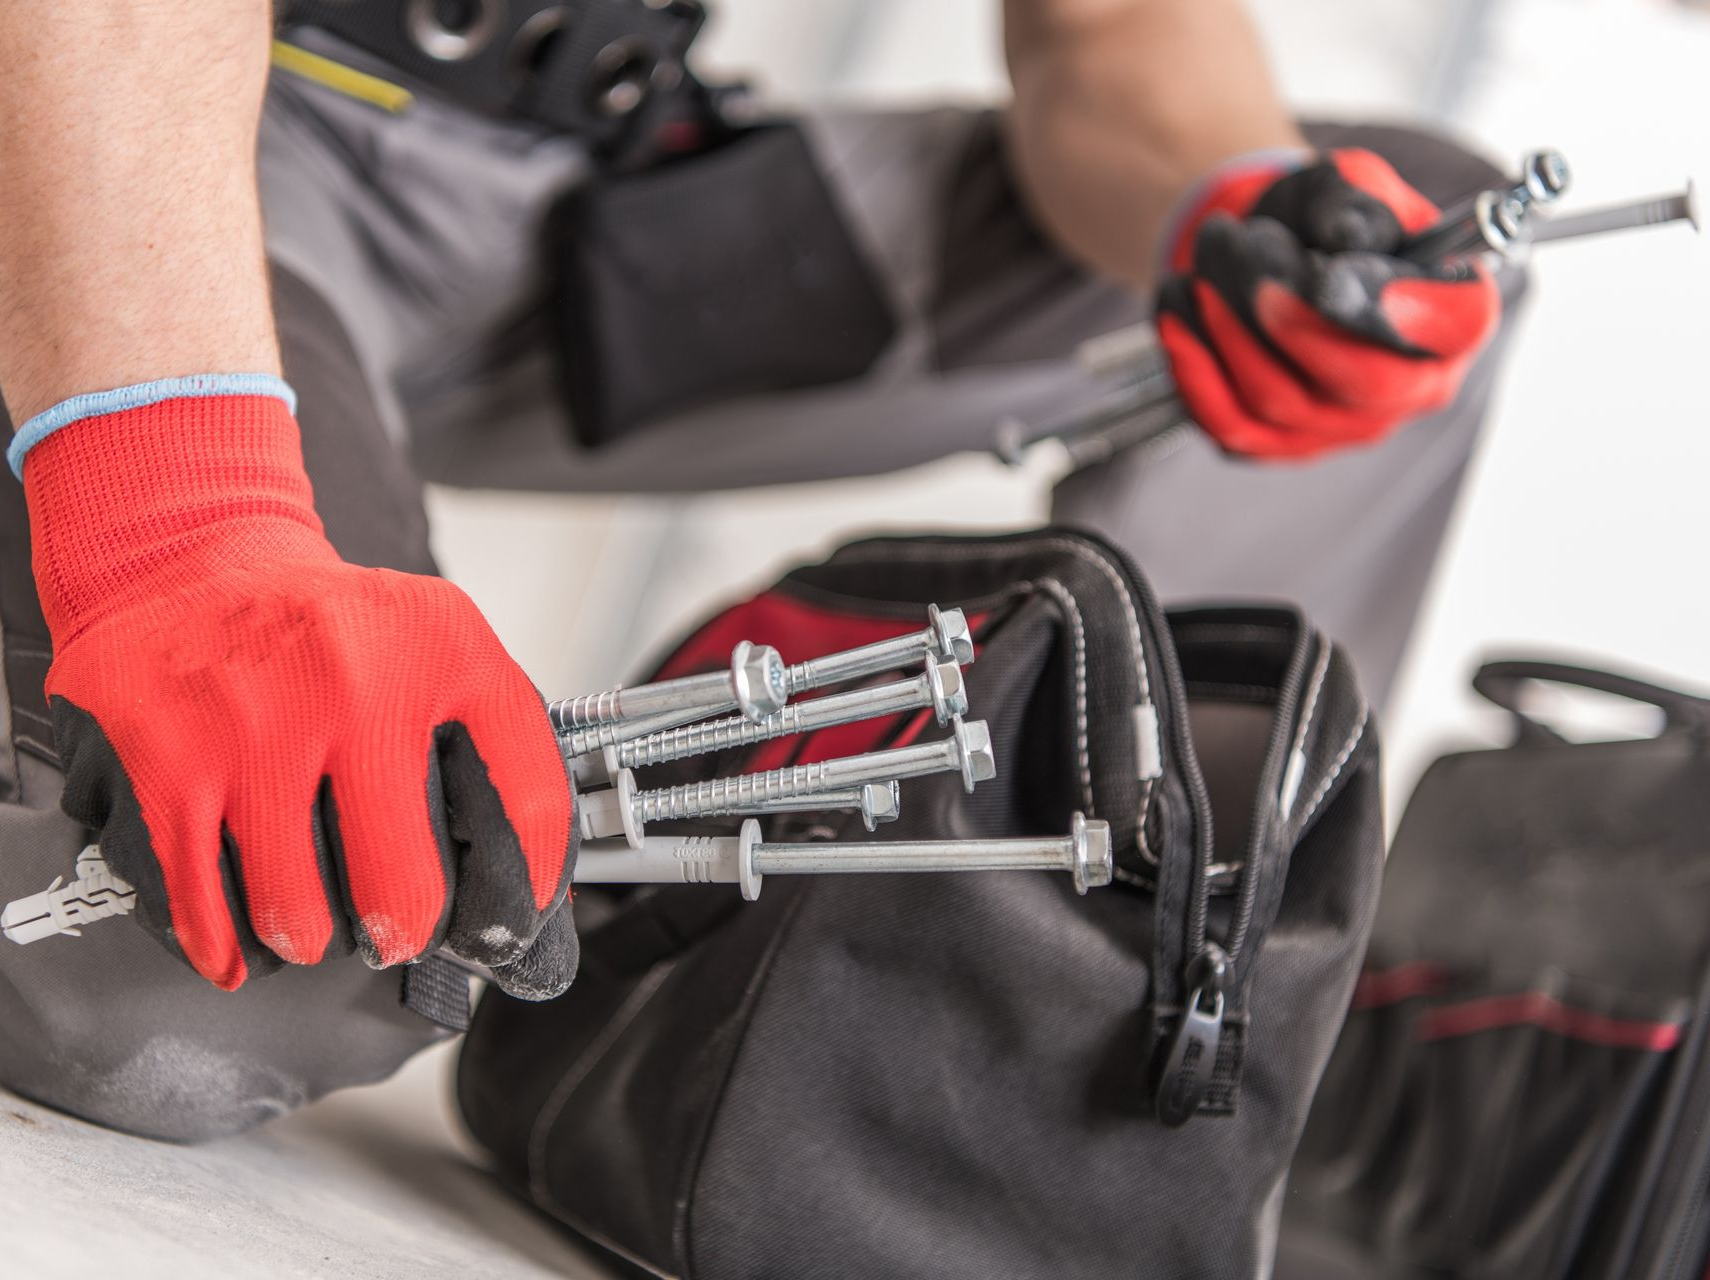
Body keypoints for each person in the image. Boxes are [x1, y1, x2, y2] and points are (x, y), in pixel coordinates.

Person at [0, 0, 1517, 1141]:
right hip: (158, 125)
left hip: (587, 186)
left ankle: (1087, 1044)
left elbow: (1112, 27)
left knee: (1395, 251)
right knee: (232, 954)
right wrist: (182, 520)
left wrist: (1236, 217)